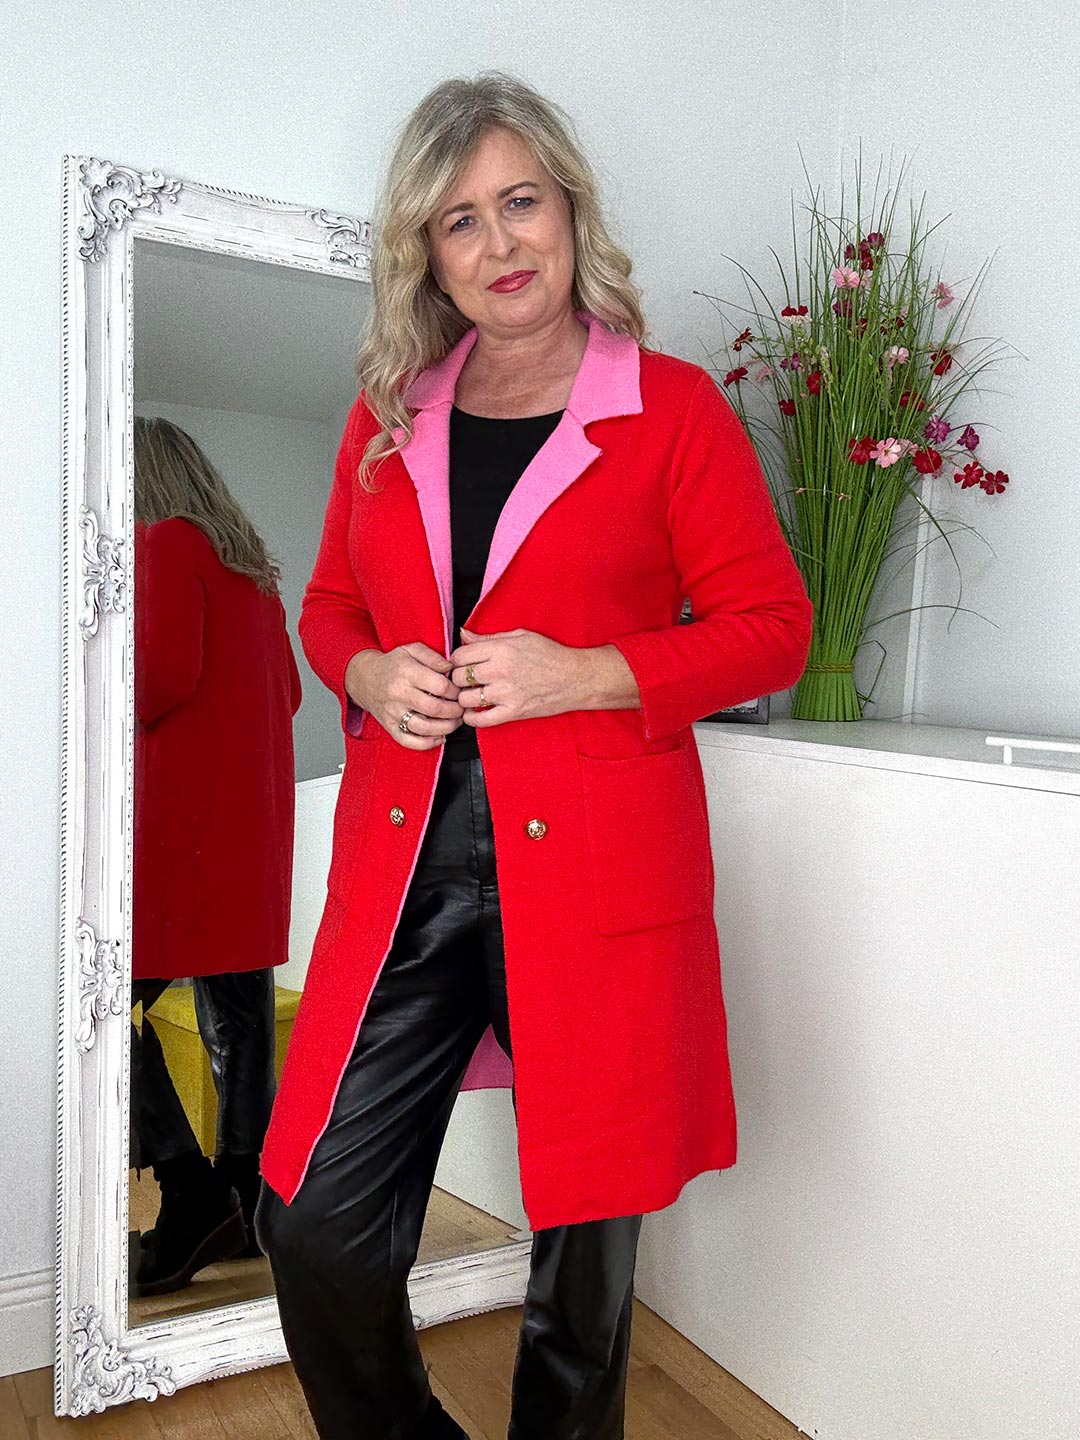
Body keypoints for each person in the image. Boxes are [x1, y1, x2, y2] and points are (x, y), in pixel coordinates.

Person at [254, 71, 814, 1440]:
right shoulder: (385, 416)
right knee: (313, 1222)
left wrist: (588, 672)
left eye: (521, 203)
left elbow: (772, 629)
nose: (500, 244)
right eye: (460, 221)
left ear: (571, 211)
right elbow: (328, 607)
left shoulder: (671, 409)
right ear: (426, 252)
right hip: (410, 877)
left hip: (601, 882)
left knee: (583, 1286)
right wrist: (367, 671)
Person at [131, 417, 302, 1293]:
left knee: (92, 1010)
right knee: (239, 1022)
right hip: (253, 840)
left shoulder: (164, 543)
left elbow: (153, 682)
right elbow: (292, 695)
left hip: (184, 838)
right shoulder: (256, 581)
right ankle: (245, 1197)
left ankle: (187, 1189)